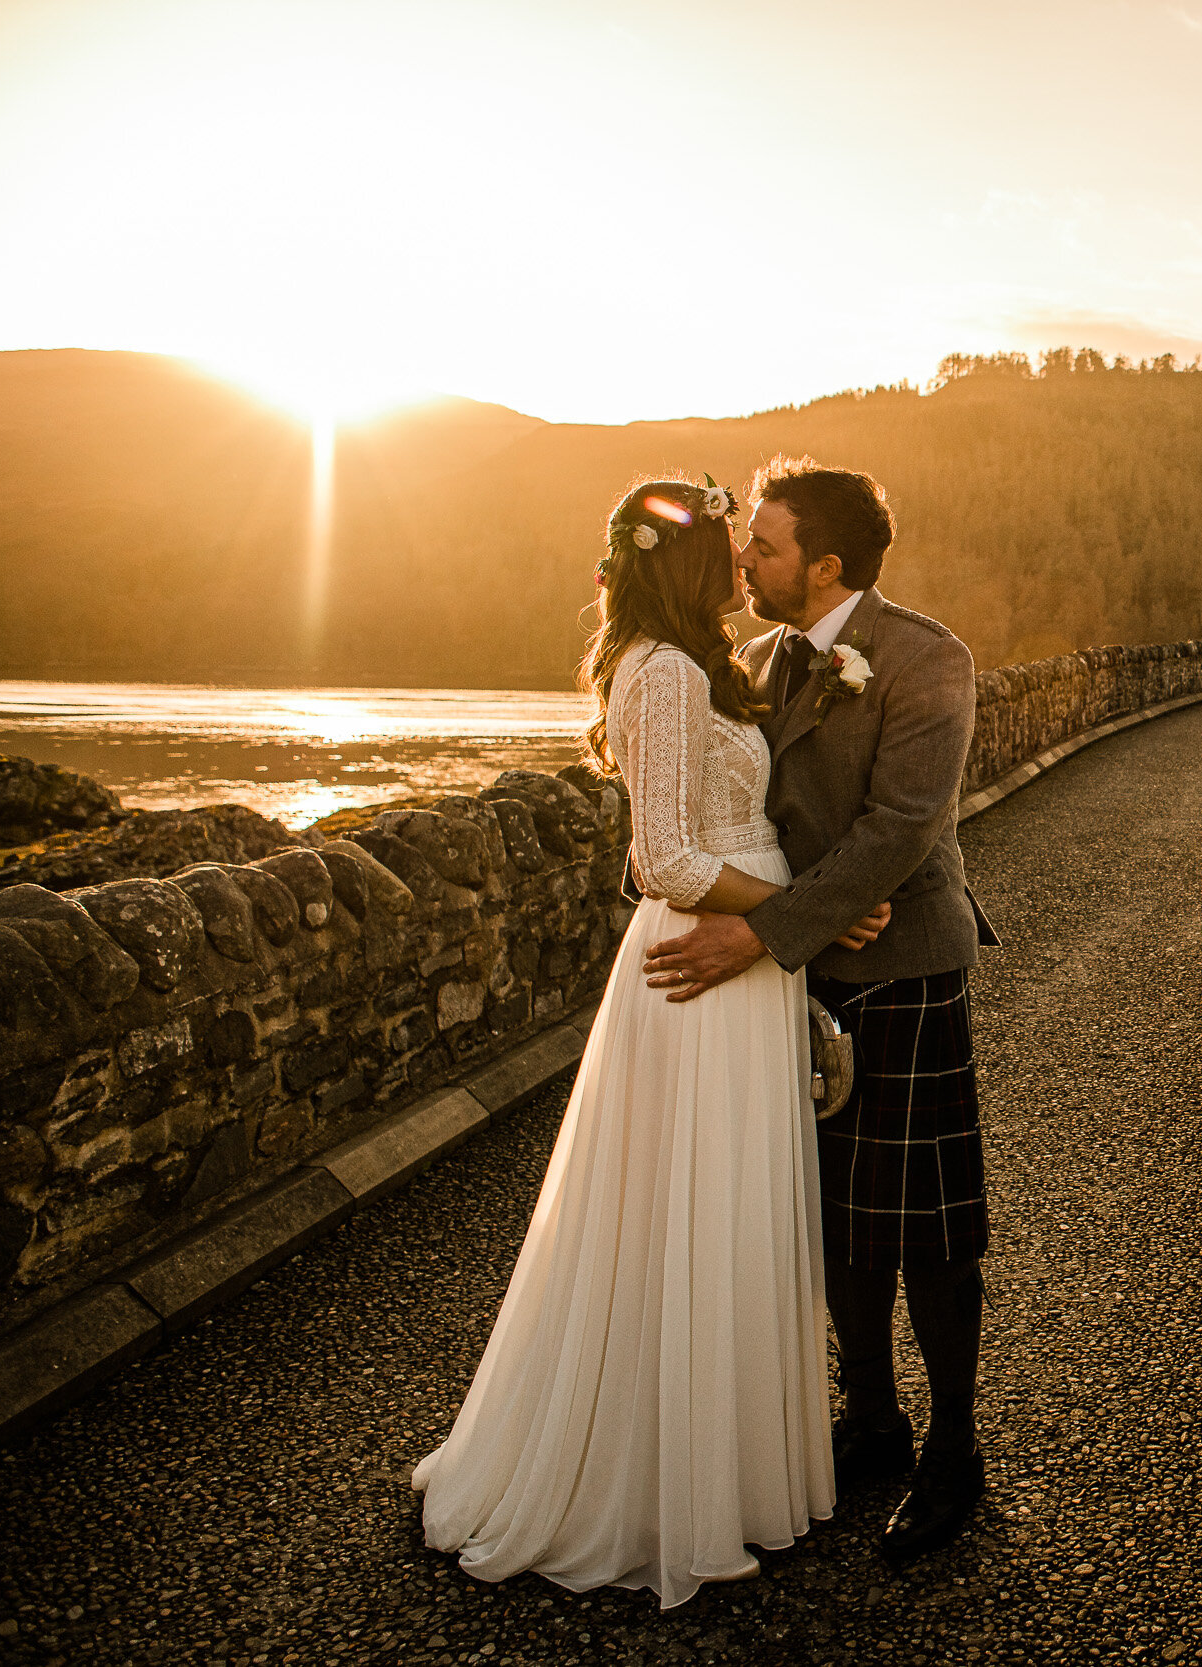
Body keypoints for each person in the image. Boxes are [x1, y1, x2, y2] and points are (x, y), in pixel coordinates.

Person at [414, 475, 875, 1606]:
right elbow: (664, 858)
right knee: (684, 1213)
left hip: (746, 967)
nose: (739, 562)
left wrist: (784, 924)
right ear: (680, 561)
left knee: (723, 1213)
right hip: (702, 973)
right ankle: (655, 1490)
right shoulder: (663, 672)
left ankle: (724, 1471)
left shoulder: (697, 667)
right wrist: (795, 910)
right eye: (726, 544)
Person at [642, 456, 997, 1563]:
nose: (743, 555)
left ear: (826, 563)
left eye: (764, 541)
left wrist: (759, 927)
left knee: (927, 1230)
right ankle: (871, 1418)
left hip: (899, 965)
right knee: (833, 1219)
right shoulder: (750, 659)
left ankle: (954, 1449)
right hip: (793, 972)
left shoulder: (927, 656)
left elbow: (900, 828)